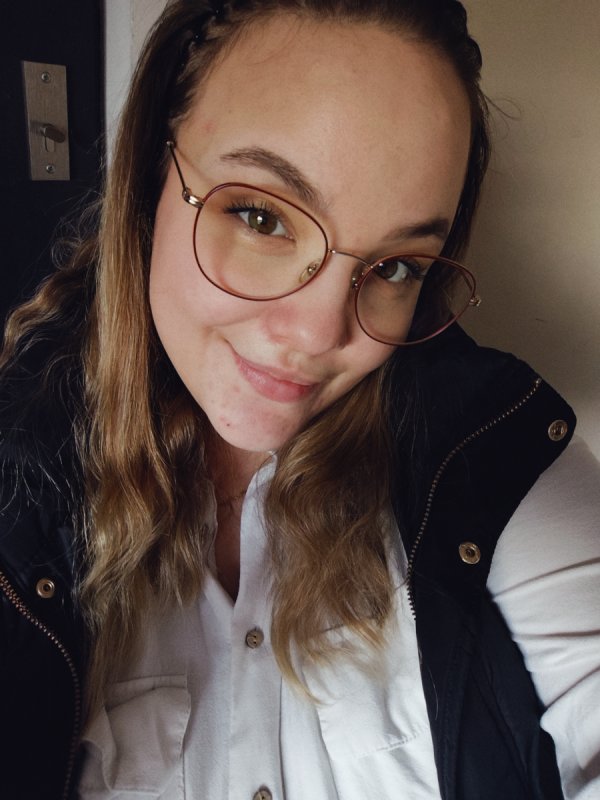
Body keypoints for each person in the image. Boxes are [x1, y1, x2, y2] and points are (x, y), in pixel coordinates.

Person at [0, 0, 598, 798]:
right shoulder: (15, 481)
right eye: (262, 217)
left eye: (396, 267)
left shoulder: (497, 452)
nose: (320, 335)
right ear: (147, 178)